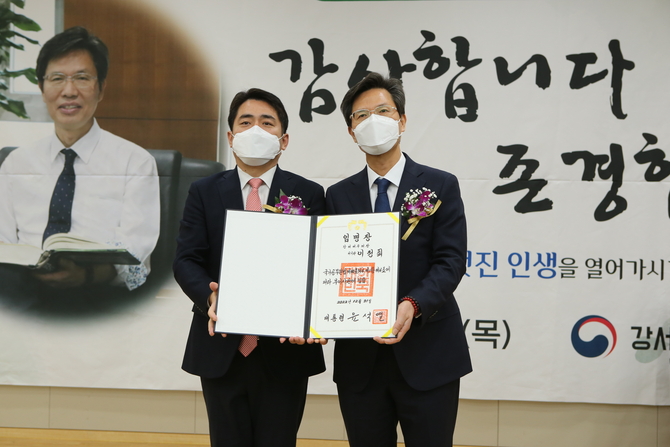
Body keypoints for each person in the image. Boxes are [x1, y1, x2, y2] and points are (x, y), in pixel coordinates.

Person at [325, 72, 472, 447]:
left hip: (429, 354)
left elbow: (451, 261)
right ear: (351, 131)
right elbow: (329, 269)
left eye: (383, 111)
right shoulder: (337, 196)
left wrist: (413, 303)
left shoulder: (440, 185)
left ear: (402, 120)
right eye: (361, 116)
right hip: (360, 362)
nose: (372, 121)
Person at [173, 88, 326, 447]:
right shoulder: (204, 191)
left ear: (284, 140)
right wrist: (209, 297)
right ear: (231, 137)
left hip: (286, 350)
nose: (255, 130)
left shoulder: (309, 193)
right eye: (246, 122)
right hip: (221, 346)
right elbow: (186, 259)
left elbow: (320, 265)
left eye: (267, 122)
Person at [0, 26, 159, 294]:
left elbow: (136, 258)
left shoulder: (135, 163)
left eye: (82, 78)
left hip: (99, 294)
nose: (69, 91)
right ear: (42, 88)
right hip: (20, 291)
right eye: (57, 78)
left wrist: (87, 276)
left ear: (101, 89)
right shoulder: (16, 163)